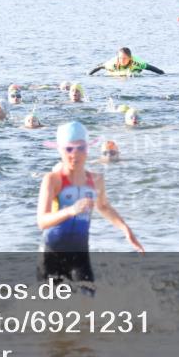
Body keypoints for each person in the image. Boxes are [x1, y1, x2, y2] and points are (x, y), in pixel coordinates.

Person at [36, 122, 144, 286]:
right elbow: (42, 222)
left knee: (88, 306)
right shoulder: (53, 180)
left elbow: (104, 207)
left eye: (80, 148)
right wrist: (71, 210)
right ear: (60, 150)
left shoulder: (96, 180)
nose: (75, 154)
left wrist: (126, 229)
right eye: (69, 149)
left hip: (80, 256)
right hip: (51, 256)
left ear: (87, 149)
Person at [88, 47, 165, 76]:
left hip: (134, 69)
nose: (122, 60)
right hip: (115, 68)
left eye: (125, 58)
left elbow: (151, 68)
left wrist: (162, 74)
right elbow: (99, 67)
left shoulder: (136, 62)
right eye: (120, 58)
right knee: (106, 67)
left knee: (136, 70)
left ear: (130, 58)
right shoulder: (112, 63)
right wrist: (89, 74)